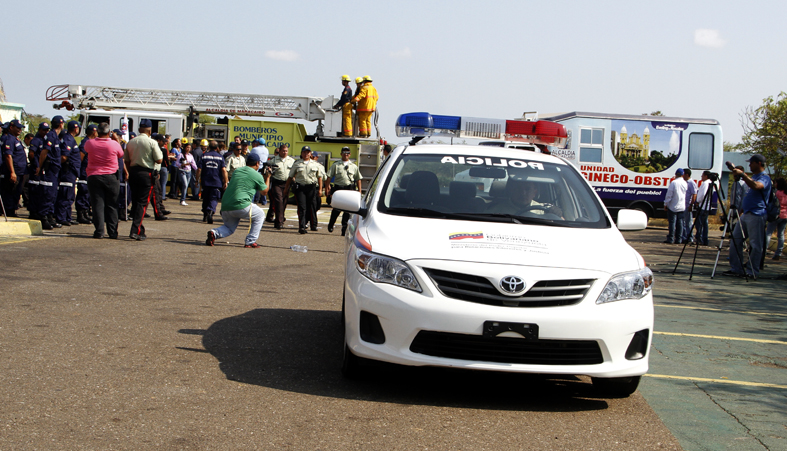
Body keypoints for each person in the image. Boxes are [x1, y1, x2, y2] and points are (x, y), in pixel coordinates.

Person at [205, 153, 270, 248]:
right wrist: (268, 177)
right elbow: (264, 192)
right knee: (260, 215)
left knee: (229, 228)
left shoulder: (237, 171)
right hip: (241, 204)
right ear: (257, 163)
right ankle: (250, 241)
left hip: (226, 205)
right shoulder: (256, 175)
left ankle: (214, 233)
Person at [724, 154, 772, 279]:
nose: (749, 165)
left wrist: (743, 175)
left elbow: (756, 186)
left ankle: (752, 271)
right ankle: (737, 268)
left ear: (759, 163)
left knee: (756, 245)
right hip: (746, 214)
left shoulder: (764, 178)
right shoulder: (754, 177)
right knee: (735, 240)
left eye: (751, 163)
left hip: (757, 214)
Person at [124, 118, 163, 240]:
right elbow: (159, 159)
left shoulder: (131, 142)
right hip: (146, 173)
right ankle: (135, 230)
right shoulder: (152, 142)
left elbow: (127, 160)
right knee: (143, 203)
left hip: (134, 172)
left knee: (136, 202)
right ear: (150, 130)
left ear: (139, 129)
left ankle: (140, 228)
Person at [85, 122, 124, 239]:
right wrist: (116, 140)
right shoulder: (114, 144)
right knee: (112, 205)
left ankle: (99, 231)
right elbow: (121, 154)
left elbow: (86, 150)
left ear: (97, 132)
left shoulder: (89, 143)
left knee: (97, 204)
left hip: (94, 175)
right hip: (111, 176)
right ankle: (112, 232)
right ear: (109, 132)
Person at [284, 146, 323, 234]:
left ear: (310, 153)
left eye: (308, 152)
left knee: (312, 206)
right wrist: (286, 188)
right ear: (301, 153)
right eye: (304, 152)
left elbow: (319, 177)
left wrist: (320, 189)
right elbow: (290, 177)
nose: (306, 154)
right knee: (302, 207)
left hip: (311, 187)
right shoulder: (297, 164)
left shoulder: (315, 164)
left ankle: (314, 225)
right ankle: (302, 226)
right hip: (300, 188)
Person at [36, 115, 66, 229]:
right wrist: (39, 167)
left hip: (54, 171)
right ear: (60, 124)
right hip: (49, 171)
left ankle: (49, 217)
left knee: (52, 195)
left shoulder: (55, 136)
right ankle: (43, 218)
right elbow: (44, 152)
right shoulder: (51, 136)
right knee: (47, 195)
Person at [326, 147, 363, 235]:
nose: (346, 154)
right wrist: (327, 188)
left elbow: (358, 179)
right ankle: (331, 224)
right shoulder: (336, 165)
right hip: (338, 189)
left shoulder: (353, 166)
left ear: (349, 154)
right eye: (344, 152)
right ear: (341, 154)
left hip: (349, 189)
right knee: (336, 209)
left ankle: (344, 228)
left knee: (347, 210)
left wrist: (360, 191)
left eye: (347, 153)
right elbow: (329, 177)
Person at [54, 121, 82, 226]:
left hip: (72, 172)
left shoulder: (71, 139)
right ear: (76, 129)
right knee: (65, 196)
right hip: (68, 171)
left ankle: (67, 217)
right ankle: (61, 217)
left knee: (70, 196)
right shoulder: (68, 139)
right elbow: (64, 157)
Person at [0, 119, 27, 217]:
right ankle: (9, 212)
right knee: (10, 193)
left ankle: (12, 211)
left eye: (21, 128)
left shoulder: (16, 139)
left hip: (20, 172)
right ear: (11, 128)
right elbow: (8, 156)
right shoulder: (9, 139)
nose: (20, 130)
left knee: (16, 193)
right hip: (13, 171)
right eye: (17, 128)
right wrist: (12, 172)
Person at [197, 140, 227, 224]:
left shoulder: (203, 156)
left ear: (209, 147)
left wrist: (196, 180)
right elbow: (224, 170)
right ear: (217, 148)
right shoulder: (220, 157)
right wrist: (225, 181)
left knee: (205, 198)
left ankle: (205, 214)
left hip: (205, 181)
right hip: (216, 182)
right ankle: (210, 211)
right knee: (214, 198)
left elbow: (199, 169)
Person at [26, 122, 50, 221]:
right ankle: (33, 212)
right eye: (43, 130)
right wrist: (36, 165)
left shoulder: (44, 140)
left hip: (41, 170)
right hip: (36, 169)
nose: (45, 132)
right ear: (39, 130)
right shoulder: (36, 140)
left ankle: (37, 211)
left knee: (39, 192)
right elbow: (31, 154)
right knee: (34, 191)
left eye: (47, 130)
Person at [268, 144, 294, 229]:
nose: (285, 152)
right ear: (279, 151)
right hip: (277, 183)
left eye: (286, 151)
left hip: (287, 184)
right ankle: (279, 222)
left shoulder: (291, 161)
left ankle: (279, 219)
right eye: (283, 151)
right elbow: (268, 171)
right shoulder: (274, 160)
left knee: (284, 202)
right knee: (278, 201)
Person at [75, 124, 97, 224]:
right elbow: (81, 156)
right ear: (93, 132)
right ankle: (81, 214)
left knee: (87, 193)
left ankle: (85, 212)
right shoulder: (85, 142)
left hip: (89, 171)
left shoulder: (91, 142)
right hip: (84, 171)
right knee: (83, 192)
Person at [663, 168, 687, 244]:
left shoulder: (674, 183)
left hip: (673, 205)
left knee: (672, 223)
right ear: (683, 175)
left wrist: (666, 204)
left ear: (676, 174)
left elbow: (669, 194)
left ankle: (671, 238)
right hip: (682, 206)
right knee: (680, 223)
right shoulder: (685, 183)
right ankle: (679, 239)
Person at [765, 178, 787, 261]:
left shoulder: (777, 193)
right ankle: (778, 253)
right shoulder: (786, 193)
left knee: (768, 233)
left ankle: (763, 250)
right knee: (781, 234)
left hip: (776, 215)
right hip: (785, 216)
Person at [694, 171, 718, 246]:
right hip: (706, 206)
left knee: (700, 223)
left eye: (702, 175)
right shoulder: (710, 184)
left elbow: (703, 194)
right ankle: (704, 239)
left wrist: (697, 201)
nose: (701, 177)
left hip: (703, 206)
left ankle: (700, 238)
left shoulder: (705, 183)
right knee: (704, 224)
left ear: (706, 176)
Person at [148, 134, 169, 220]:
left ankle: (160, 209)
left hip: (155, 172)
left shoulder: (158, 148)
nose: (164, 143)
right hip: (151, 173)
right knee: (155, 194)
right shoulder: (154, 147)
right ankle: (158, 213)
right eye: (163, 141)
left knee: (157, 193)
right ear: (158, 141)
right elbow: (159, 160)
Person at [681, 168, 697, 244]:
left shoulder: (691, 183)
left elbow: (694, 194)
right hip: (684, 205)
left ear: (687, 174)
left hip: (688, 205)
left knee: (688, 222)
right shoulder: (685, 182)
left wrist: (691, 204)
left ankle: (690, 237)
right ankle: (684, 237)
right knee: (683, 222)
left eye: (683, 174)